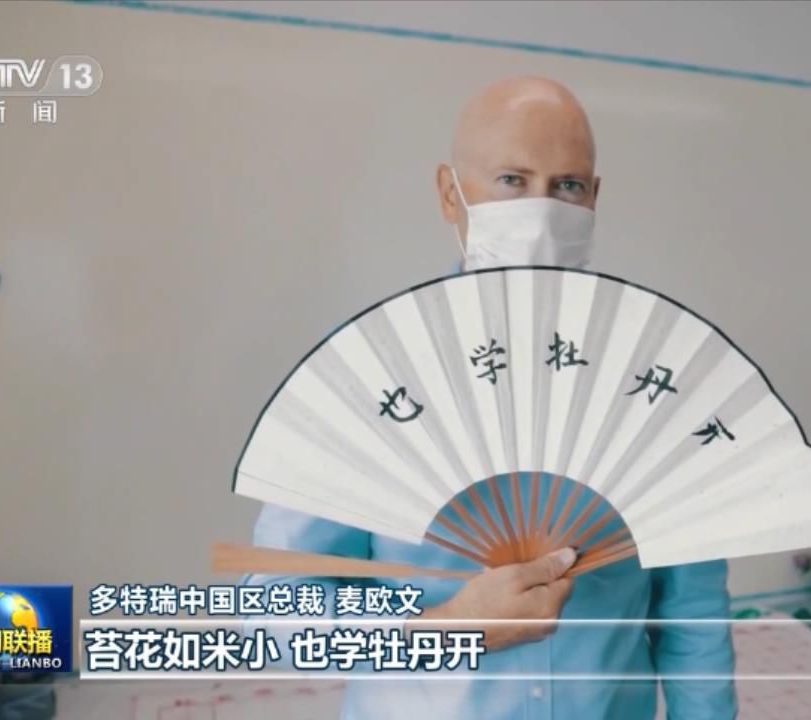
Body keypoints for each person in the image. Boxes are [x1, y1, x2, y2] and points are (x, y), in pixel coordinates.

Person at [246, 76, 736, 720]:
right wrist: (445, 629)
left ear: (594, 197)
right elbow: (275, 609)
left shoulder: (656, 375)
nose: (542, 211)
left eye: (567, 185)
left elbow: (692, 611)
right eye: (511, 180)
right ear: (450, 193)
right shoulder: (368, 370)